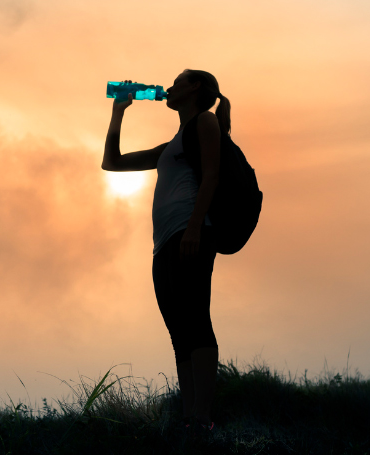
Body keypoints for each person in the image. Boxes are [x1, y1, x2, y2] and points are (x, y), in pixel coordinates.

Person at [101, 69, 231, 431]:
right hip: (164, 243)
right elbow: (112, 162)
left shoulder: (204, 122)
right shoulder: (171, 145)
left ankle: (202, 416)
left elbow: (212, 176)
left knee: (195, 319)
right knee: (178, 328)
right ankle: (190, 417)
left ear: (195, 88)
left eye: (178, 81)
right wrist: (119, 111)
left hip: (191, 232)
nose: (169, 87)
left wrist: (194, 226)